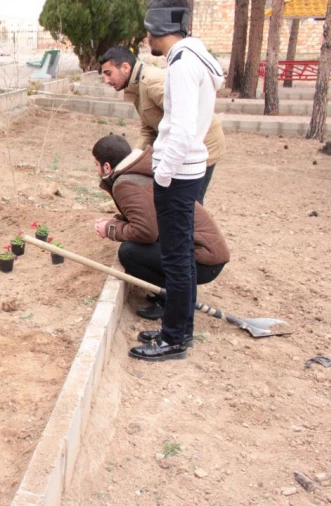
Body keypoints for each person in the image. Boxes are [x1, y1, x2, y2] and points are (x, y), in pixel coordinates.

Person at [127, 0, 225, 361]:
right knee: (179, 256)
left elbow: (181, 130)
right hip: (188, 170)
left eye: (148, 31)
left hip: (179, 174)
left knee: (177, 259)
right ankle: (178, 329)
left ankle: (174, 340)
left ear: (159, 28)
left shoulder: (182, 65)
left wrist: (163, 173)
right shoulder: (193, 57)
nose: (146, 38)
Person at [91, 134, 230, 330]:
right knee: (134, 248)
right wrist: (116, 221)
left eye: (96, 164)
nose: (96, 169)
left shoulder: (126, 184)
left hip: (203, 260)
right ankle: (172, 292)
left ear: (107, 166)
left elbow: (146, 232)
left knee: (129, 252)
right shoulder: (141, 171)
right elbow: (149, 217)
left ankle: (170, 298)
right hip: (206, 252)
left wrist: (110, 229)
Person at [99, 45, 225, 204]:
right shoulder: (138, 86)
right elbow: (148, 131)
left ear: (125, 68)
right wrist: (129, 163)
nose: (106, 80)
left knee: (188, 205)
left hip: (202, 145)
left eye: (108, 73)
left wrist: (167, 165)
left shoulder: (151, 82)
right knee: (175, 204)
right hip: (182, 147)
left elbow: (186, 118)